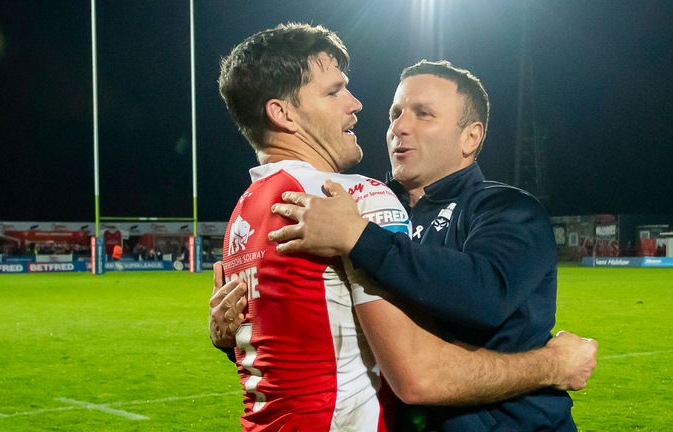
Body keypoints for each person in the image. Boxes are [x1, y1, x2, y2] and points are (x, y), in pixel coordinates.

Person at [212, 23, 596, 432]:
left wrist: (360, 238)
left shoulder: (505, 209)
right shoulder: (355, 204)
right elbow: (324, 331)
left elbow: (487, 294)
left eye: (423, 114)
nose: (399, 126)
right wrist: (242, 333)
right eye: (395, 113)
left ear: (470, 138)